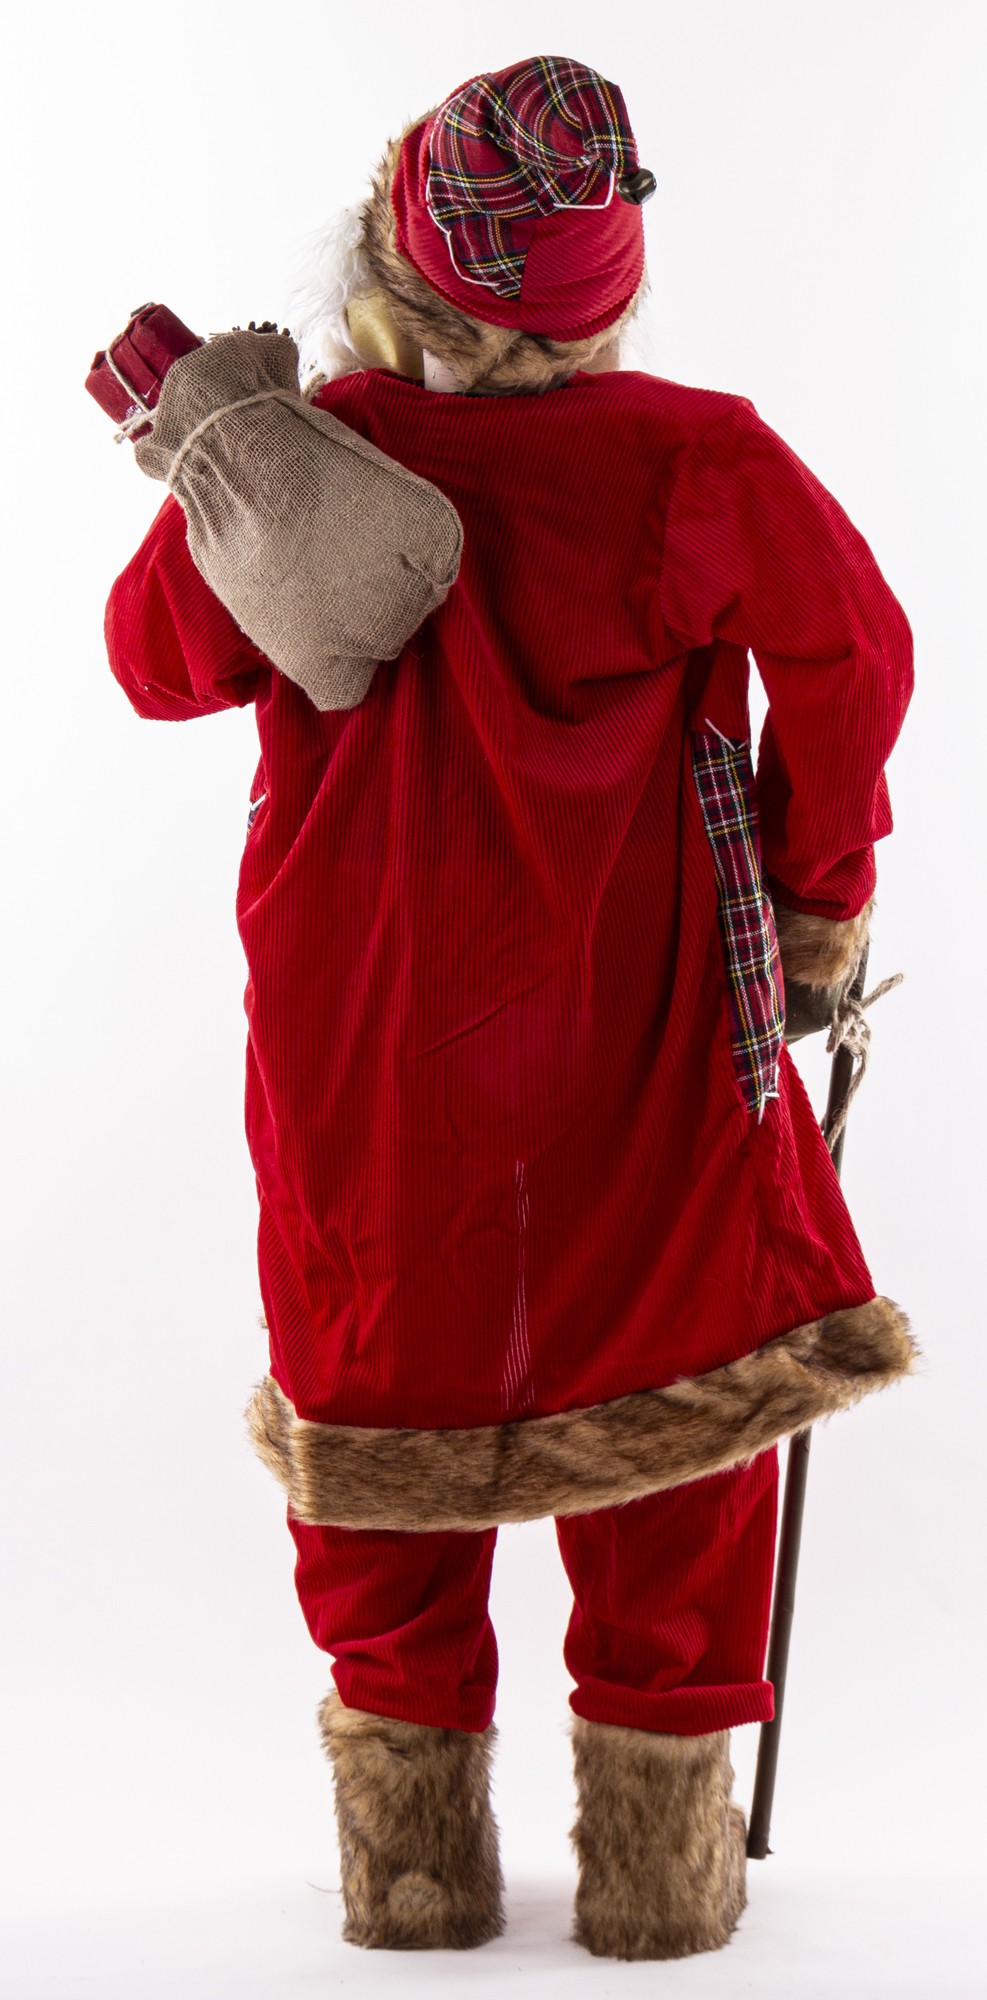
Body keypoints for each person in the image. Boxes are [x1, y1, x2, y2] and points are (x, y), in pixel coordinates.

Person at [103, 53, 915, 1961]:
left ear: (391, 247)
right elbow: (854, 655)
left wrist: (236, 461)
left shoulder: (319, 459)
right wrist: (816, 888)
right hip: (647, 1037)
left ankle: (411, 1871)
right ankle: (662, 1876)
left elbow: (152, 661)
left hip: (370, 1049)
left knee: (383, 1390)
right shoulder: (694, 461)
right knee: (675, 1391)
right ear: (610, 289)